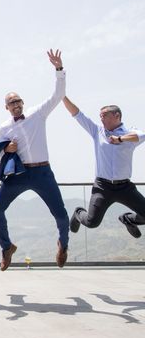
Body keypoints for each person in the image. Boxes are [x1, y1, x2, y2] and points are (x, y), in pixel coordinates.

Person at [0, 50, 69, 271]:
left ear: (22, 103)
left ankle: (63, 245)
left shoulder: (37, 114)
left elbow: (58, 95)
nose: (15, 104)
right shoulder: (4, 128)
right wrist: (7, 147)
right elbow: (0, 152)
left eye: (17, 101)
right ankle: (7, 247)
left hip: (43, 173)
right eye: (11, 102)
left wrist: (59, 69)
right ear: (6, 107)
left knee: (61, 215)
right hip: (20, 175)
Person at [63, 97, 145, 238]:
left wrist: (120, 139)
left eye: (104, 115)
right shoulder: (97, 131)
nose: (101, 119)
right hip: (103, 187)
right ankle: (78, 213)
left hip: (125, 187)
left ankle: (127, 219)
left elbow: (142, 135)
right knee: (91, 222)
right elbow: (77, 114)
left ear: (116, 115)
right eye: (100, 116)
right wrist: (62, 96)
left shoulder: (129, 132)